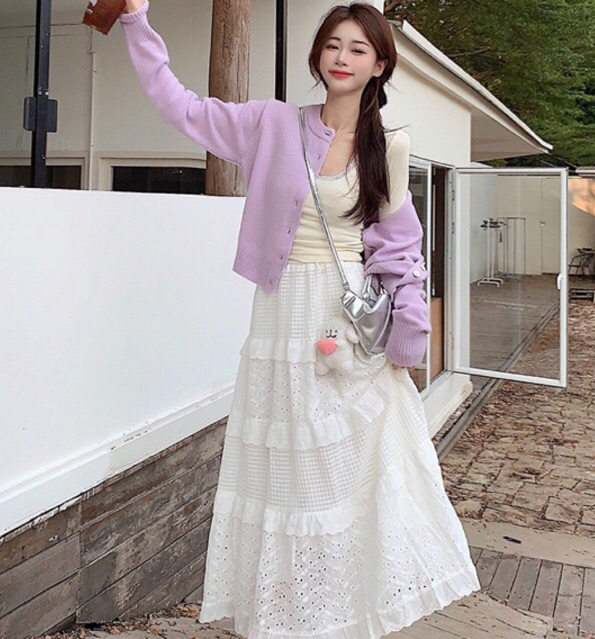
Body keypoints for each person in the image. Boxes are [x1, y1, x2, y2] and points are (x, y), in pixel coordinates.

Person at [119, 1, 481, 637]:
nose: (342, 58)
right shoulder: (271, 124)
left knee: (343, 474)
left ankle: (338, 614)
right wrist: (136, 21)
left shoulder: (388, 148)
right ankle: (284, 617)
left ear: (379, 65)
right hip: (280, 315)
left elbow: (401, 251)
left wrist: (409, 337)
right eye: (333, 44)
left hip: (342, 318)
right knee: (282, 475)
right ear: (318, 55)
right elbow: (180, 106)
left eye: (358, 49)